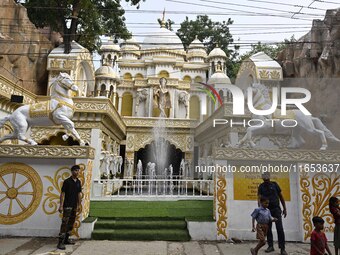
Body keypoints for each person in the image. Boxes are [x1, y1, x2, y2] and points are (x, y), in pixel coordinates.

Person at [258, 172, 288, 255]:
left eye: (267, 176)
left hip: (276, 210)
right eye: (264, 177)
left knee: (280, 229)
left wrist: (285, 208)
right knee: (268, 229)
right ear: (262, 178)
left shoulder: (274, 184)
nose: (266, 178)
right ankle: (270, 246)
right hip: (266, 211)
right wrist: (260, 211)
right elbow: (259, 199)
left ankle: (282, 248)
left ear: (269, 177)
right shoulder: (261, 186)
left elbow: (281, 196)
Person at [57, 165, 82, 250]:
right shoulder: (67, 181)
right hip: (67, 205)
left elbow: (79, 194)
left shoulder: (78, 182)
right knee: (64, 223)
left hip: (74, 206)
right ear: (72, 171)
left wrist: (79, 205)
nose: (77, 172)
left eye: (78, 170)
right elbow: (62, 193)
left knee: (71, 223)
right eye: (75, 170)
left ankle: (66, 239)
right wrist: (60, 205)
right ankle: (60, 242)